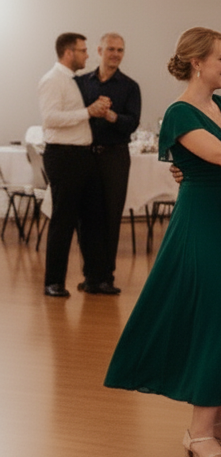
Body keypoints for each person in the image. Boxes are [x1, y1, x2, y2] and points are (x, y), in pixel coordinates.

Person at [104, 26, 221, 457]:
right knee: (220, 320)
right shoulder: (180, 113)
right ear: (197, 63)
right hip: (199, 224)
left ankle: (217, 422)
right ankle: (198, 433)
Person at [37, 33, 112, 298]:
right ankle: (53, 282)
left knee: (92, 219)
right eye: (83, 50)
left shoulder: (74, 81)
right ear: (69, 52)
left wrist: (95, 109)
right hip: (64, 156)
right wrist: (88, 112)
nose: (87, 55)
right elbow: (50, 118)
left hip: (83, 155)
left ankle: (95, 279)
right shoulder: (52, 80)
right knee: (63, 221)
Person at [75, 32, 141, 294]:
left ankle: (106, 277)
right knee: (85, 216)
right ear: (100, 50)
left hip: (115, 156)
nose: (116, 54)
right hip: (85, 155)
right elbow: (74, 116)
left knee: (110, 216)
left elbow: (132, 123)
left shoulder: (130, 86)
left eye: (120, 50)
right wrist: (92, 111)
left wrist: (111, 115)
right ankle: (90, 276)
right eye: (111, 49)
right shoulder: (81, 83)